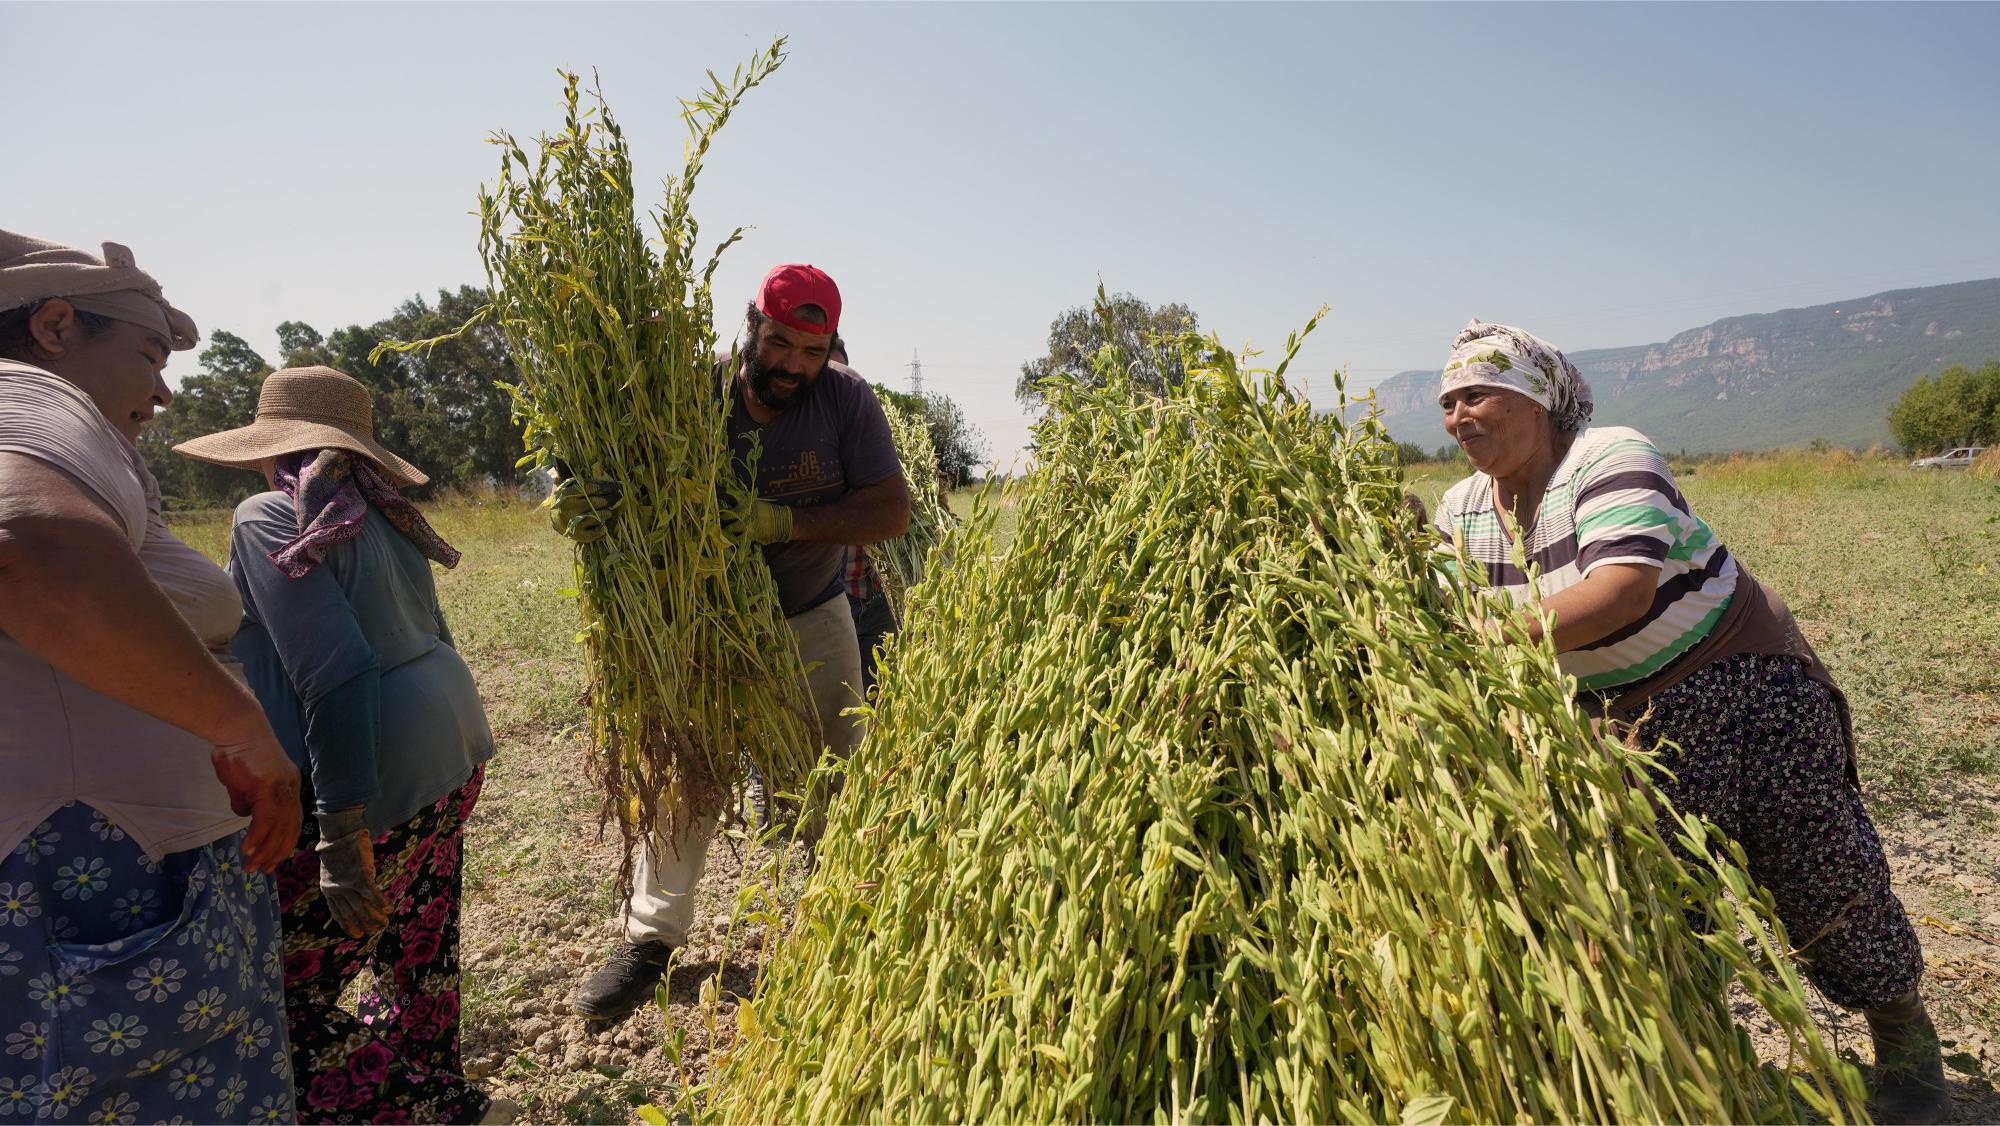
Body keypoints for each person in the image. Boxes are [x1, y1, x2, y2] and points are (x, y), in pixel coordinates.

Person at [1427, 319, 1946, 1125]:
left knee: (1816, 869)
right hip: (1619, 722)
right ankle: (1693, 1067)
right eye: (1448, 401)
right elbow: (1430, 614)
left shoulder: (1607, 457)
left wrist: (1483, 636)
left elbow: (1621, 592)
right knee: (1664, 900)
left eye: (1479, 394)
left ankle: (1906, 1043)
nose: (1460, 415)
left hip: (1742, 685)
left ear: (1536, 400)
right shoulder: (1460, 510)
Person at [549, 263, 909, 1022]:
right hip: (698, 622)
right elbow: (613, 472)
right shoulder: (691, 393)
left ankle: (851, 920)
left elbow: (889, 510)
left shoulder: (846, 400)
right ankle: (650, 942)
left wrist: (788, 522)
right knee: (691, 775)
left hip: (809, 613)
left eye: (812, 352)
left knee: (837, 770)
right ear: (751, 326)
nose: (793, 366)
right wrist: (575, 499)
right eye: (779, 344)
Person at [0, 230, 301, 1123]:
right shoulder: (29, 397)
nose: (165, 390)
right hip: (93, 888)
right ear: (55, 327)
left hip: (115, 883)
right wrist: (244, 730)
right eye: (148, 356)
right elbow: (29, 546)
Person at [174, 366, 507, 1123]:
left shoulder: (269, 514)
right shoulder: (385, 511)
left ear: (270, 448)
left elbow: (339, 671)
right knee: (416, 943)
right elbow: (428, 630)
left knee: (269, 996)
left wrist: (340, 832)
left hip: (374, 769)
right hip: (450, 743)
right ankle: (435, 1083)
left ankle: (440, 1111)